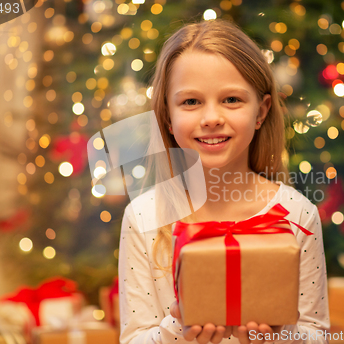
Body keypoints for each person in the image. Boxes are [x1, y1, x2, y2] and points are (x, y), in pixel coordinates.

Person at [118, 19, 330, 344]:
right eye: (191, 102)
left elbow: (316, 334)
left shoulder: (297, 215)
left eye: (231, 100)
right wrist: (179, 330)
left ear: (261, 112)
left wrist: (277, 337)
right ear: (167, 118)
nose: (212, 118)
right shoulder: (144, 218)